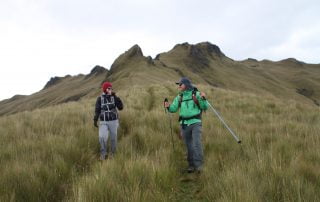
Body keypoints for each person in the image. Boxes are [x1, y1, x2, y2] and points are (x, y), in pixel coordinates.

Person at [164, 77, 208, 173]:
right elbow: (173, 109)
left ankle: (199, 166)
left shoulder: (196, 94)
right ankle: (191, 165)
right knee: (189, 145)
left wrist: (203, 98)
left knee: (197, 144)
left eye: (180, 84)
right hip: (184, 124)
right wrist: (168, 107)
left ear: (186, 85)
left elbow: (205, 106)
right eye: (178, 85)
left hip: (196, 122)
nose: (179, 86)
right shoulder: (179, 97)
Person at [94, 82, 123, 160]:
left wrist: (116, 97)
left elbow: (121, 107)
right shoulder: (99, 99)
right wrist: (95, 120)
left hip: (113, 121)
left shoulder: (114, 97)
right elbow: (97, 110)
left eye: (111, 88)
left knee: (113, 138)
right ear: (105, 89)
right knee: (102, 137)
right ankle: (103, 154)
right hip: (103, 121)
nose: (110, 90)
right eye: (109, 88)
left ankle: (112, 155)